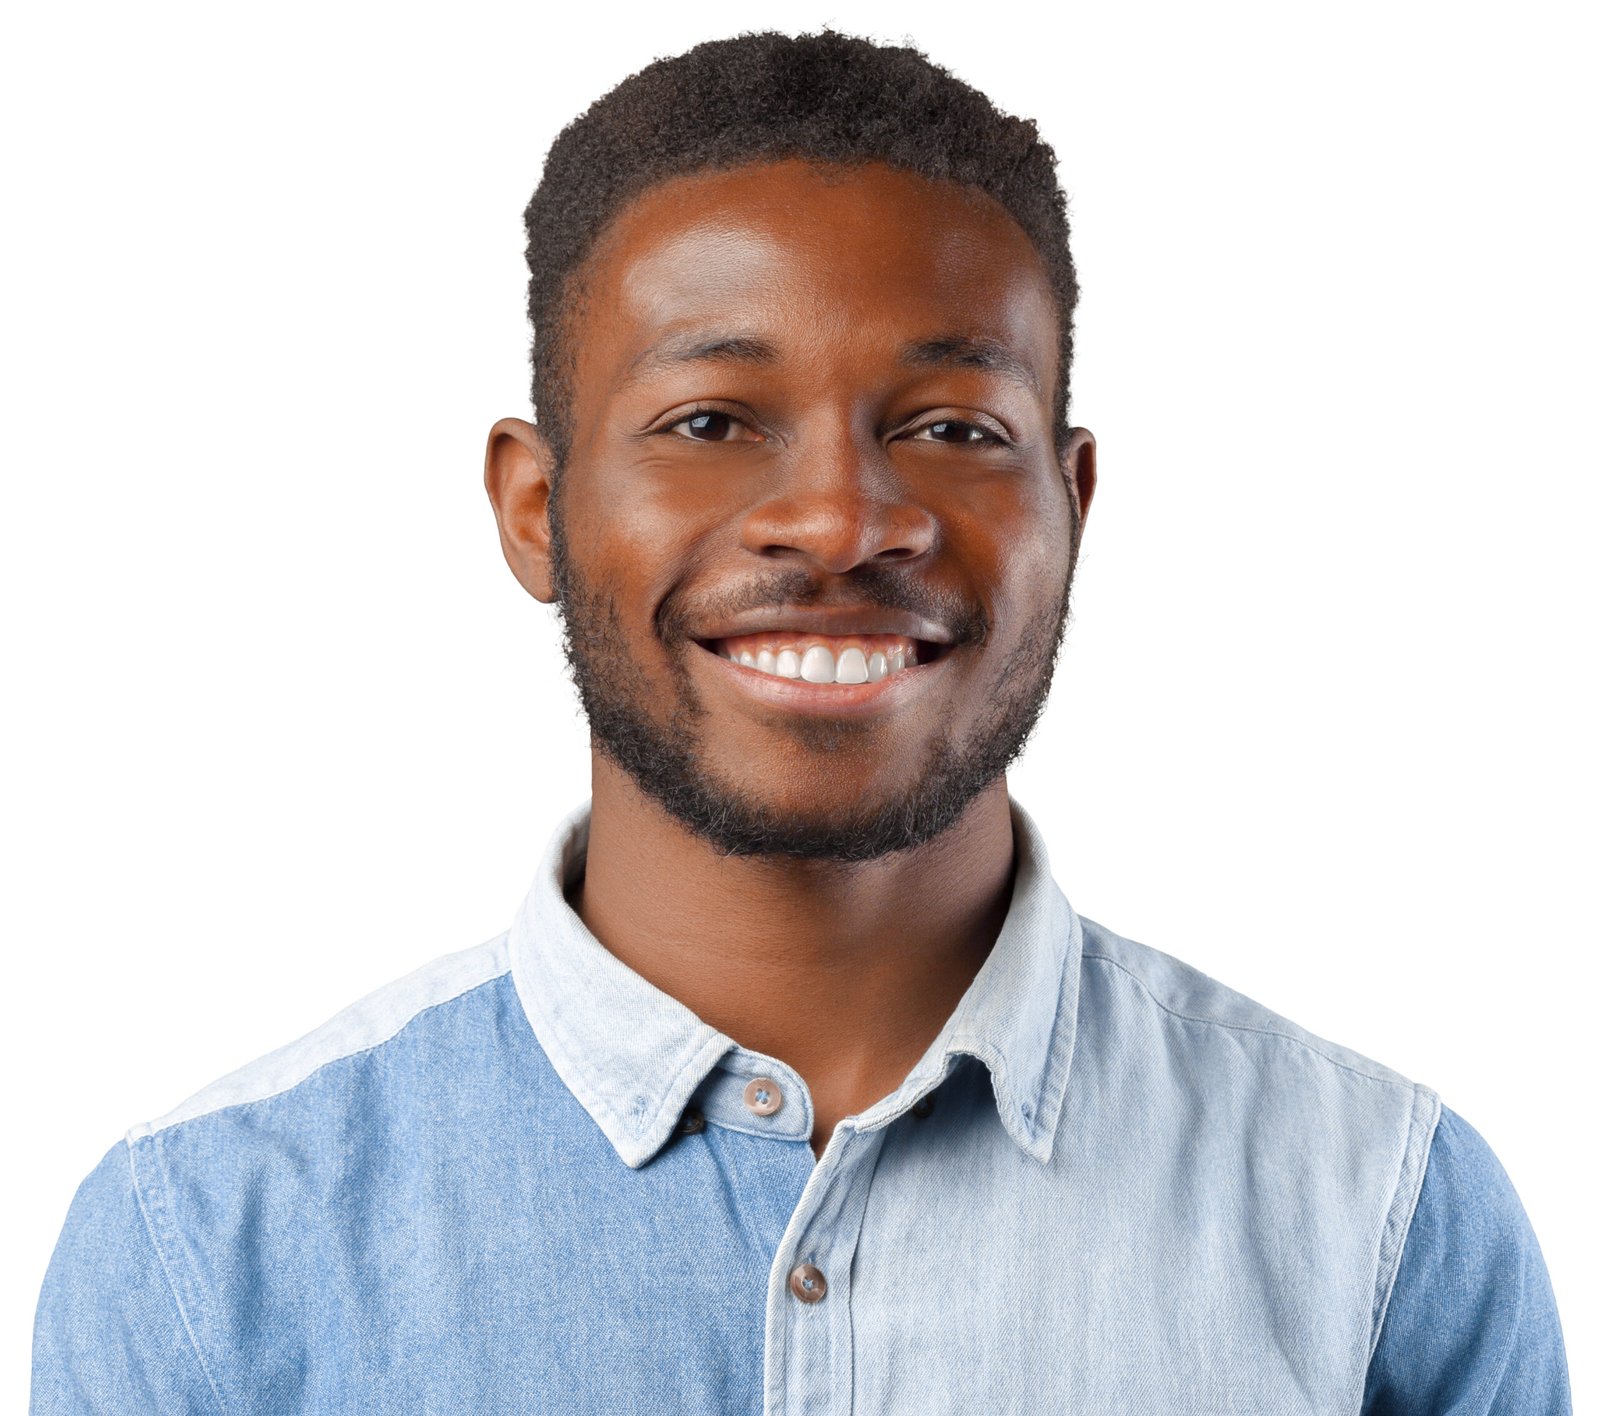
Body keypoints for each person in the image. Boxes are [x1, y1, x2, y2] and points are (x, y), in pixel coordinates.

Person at [31, 28, 1569, 1415]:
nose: (839, 519)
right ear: (536, 507)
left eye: (952, 426)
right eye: (710, 421)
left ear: (1072, 503)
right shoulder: (209, 1251)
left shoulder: (1380, 1222)